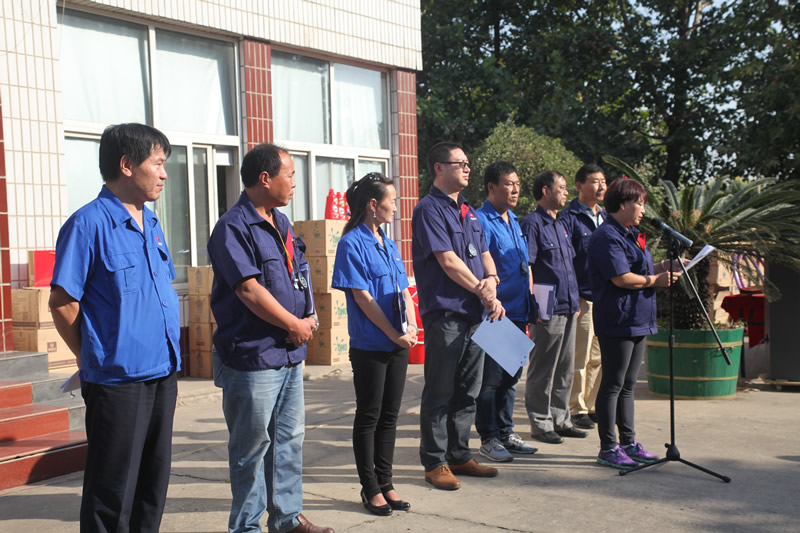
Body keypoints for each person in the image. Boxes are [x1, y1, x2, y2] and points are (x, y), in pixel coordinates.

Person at [49, 123, 180, 533]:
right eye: (157, 163)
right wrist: (90, 356)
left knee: (151, 485)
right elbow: (63, 303)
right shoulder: (87, 224)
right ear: (127, 165)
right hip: (117, 381)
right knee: (113, 493)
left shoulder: (151, 223)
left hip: (162, 371)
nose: (163, 174)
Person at [207, 143, 333, 533]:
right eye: (290, 174)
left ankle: (287, 518)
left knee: (288, 442)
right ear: (265, 178)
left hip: (288, 354)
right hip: (253, 357)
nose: (294, 182)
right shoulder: (233, 227)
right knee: (250, 450)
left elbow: (298, 273)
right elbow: (248, 289)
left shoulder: (281, 223)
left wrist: (309, 315)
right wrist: (292, 324)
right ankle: (246, 527)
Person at [412, 141, 505, 491]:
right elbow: (448, 261)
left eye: (468, 163)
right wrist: (483, 291)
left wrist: (491, 281)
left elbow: (484, 253)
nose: (467, 168)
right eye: (459, 163)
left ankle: (459, 454)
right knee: (440, 390)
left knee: (469, 391)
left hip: (476, 314)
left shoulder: (468, 210)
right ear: (438, 168)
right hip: (447, 315)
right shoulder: (429, 210)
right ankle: (435, 462)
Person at [331, 173, 417, 516]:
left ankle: (386, 482)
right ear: (372, 204)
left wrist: (410, 326)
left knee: (390, 416)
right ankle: (370, 488)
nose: (395, 208)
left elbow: (403, 290)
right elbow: (363, 298)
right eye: (391, 201)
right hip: (371, 345)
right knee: (370, 414)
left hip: (398, 341)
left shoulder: (388, 242)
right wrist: (394, 334)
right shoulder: (351, 243)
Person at [587, 178, 683, 469]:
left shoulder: (630, 233)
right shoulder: (606, 236)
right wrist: (656, 280)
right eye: (639, 203)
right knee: (613, 384)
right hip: (618, 319)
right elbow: (621, 278)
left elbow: (637, 269)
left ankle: (628, 442)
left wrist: (663, 267)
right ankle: (608, 447)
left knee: (628, 385)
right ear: (623, 204)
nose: (643, 209)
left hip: (638, 318)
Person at [474, 161, 539, 462]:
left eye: (517, 184)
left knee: (511, 377)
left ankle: (506, 432)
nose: (515, 190)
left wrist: (532, 300)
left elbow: (525, 266)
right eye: (509, 184)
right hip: (496, 312)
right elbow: (481, 266)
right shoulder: (480, 221)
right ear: (491, 187)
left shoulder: (514, 220)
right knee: (492, 380)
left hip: (519, 310)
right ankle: (489, 437)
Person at [520, 170, 586, 444]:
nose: (566, 193)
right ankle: (541, 422)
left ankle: (561, 419)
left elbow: (569, 265)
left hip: (569, 305)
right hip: (547, 306)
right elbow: (528, 266)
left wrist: (576, 299)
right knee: (544, 367)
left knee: (565, 367)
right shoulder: (532, 224)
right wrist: (533, 302)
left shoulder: (562, 224)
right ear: (546, 191)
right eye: (562, 187)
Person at [558, 163, 607, 430]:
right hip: (583, 297)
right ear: (580, 186)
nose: (601, 186)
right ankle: (576, 408)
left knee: (598, 356)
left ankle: (592, 404)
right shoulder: (569, 217)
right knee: (581, 355)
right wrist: (573, 293)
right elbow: (566, 260)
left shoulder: (606, 217)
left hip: (604, 297)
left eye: (603, 181)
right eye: (595, 181)